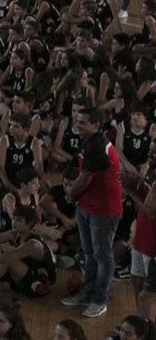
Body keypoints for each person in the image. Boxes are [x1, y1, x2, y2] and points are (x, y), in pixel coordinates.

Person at [65, 108, 121, 320]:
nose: (78, 126)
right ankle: (86, 293)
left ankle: (99, 301)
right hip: (87, 206)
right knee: (89, 254)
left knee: (103, 257)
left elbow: (84, 179)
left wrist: (70, 194)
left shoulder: (98, 146)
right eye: (77, 121)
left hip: (103, 210)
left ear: (97, 126)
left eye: (83, 123)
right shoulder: (87, 140)